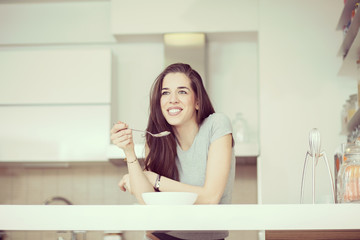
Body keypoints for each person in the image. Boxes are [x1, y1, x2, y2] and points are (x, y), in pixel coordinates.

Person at [110, 63, 236, 240]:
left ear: (198, 101)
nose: (172, 99)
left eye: (182, 91)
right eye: (165, 92)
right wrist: (129, 152)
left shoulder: (217, 125)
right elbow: (148, 200)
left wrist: (155, 179)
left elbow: (210, 198)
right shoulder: (155, 139)